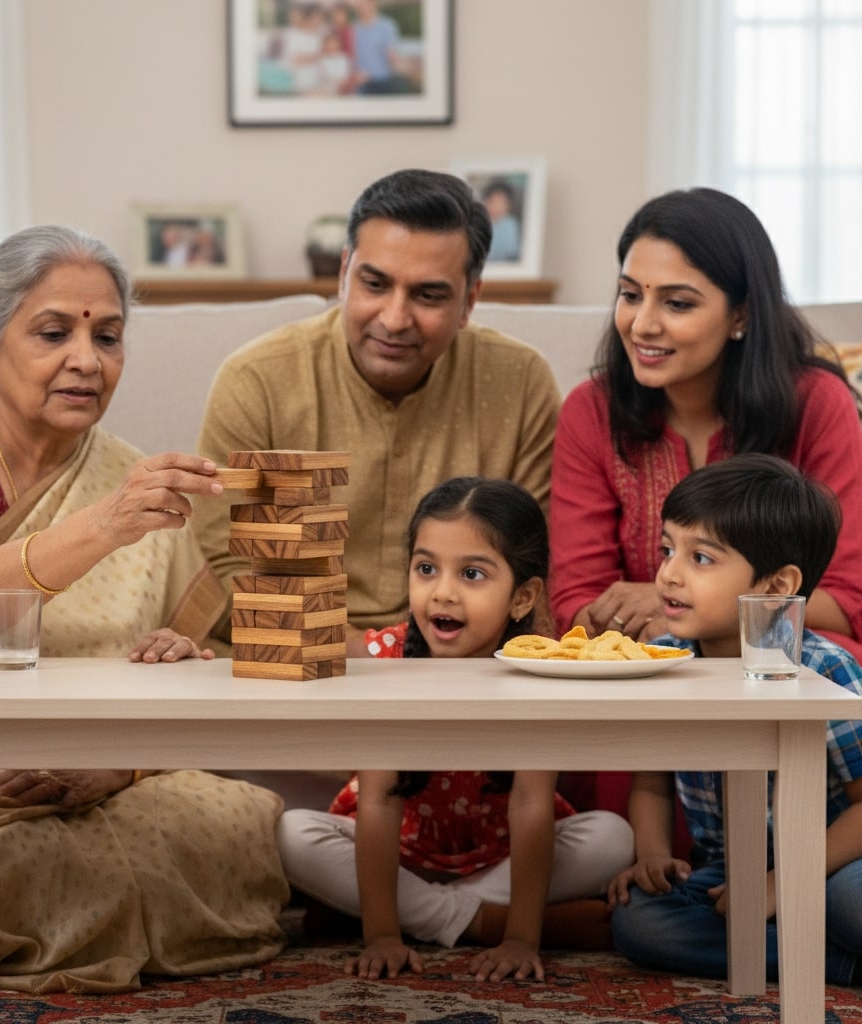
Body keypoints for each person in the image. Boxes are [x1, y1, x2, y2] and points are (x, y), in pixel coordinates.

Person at [0, 225, 289, 991]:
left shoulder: (123, 470)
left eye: (107, 336)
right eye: (54, 333)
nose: (88, 359)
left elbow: (201, 647)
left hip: (100, 762)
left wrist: (124, 752)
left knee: (241, 821)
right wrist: (104, 524)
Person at [192, 168, 561, 655]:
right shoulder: (260, 382)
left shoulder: (520, 384)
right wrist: (369, 654)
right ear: (344, 273)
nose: (394, 319)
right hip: (295, 661)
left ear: (470, 300)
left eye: (428, 295)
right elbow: (230, 570)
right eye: (375, 284)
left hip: (464, 668)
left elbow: (535, 566)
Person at [278, 478, 634, 982]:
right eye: (426, 569)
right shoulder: (389, 662)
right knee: (293, 834)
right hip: (400, 856)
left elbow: (532, 805)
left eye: (471, 573)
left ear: (522, 597)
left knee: (612, 839)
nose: (442, 592)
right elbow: (379, 800)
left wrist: (520, 941)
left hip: (499, 859)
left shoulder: (541, 669)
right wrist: (382, 937)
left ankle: (429, 915)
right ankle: (473, 921)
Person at [549, 187, 862, 662]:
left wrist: (677, 601)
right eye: (630, 295)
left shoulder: (817, 403)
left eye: (677, 304)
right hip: (639, 667)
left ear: (742, 313)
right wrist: (667, 634)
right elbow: (577, 602)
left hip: (789, 665)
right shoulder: (591, 411)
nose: (641, 325)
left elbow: (847, 602)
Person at [606, 453, 862, 985]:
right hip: (728, 872)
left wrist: (779, 883)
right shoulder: (665, 660)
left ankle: (817, 942)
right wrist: (651, 855)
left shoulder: (822, 667)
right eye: (667, 549)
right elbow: (651, 782)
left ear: (776, 585)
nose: (668, 573)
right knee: (638, 922)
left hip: (829, 864)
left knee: (850, 904)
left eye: (701, 558)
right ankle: (837, 963)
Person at [483, 180, 522, 262]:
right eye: (492, 202)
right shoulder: (481, 223)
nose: (496, 207)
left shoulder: (511, 224)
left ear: (508, 205)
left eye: (501, 203)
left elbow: (513, 251)